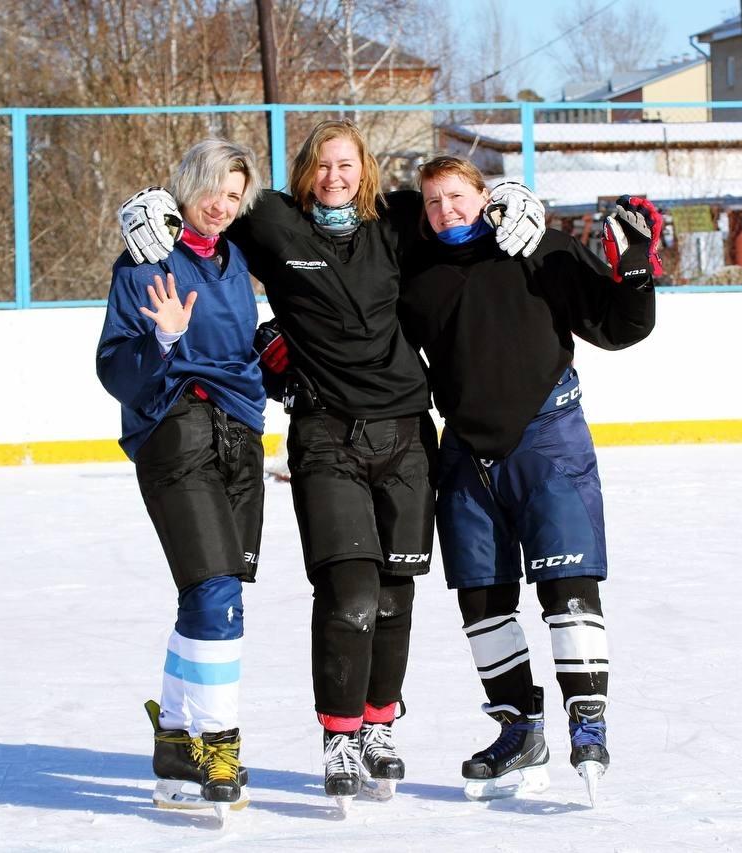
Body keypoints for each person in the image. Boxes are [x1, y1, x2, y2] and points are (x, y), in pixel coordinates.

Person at [117, 121, 547, 804]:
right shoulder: (273, 221)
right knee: (349, 596)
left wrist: (514, 201)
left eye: (345, 164)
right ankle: (339, 734)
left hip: (407, 430)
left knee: (395, 597)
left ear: (365, 169)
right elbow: (208, 197)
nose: (334, 176)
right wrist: (147, 202)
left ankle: (380, 725)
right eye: (322, 165)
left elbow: (457, 209)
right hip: (324, 431)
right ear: (304, 170)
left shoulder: (399, 219)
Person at [395, 155, 660, 805]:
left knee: (568, 589)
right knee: (482, 604)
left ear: (485, 196)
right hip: (465, 452)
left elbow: (622, 325)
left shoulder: (535, 244)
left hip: (548, 441)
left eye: (458, 196)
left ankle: (588, 718)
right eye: (433, 202)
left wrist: (634, 271)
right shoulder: (417, 269)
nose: (445, 210)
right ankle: (520, 729)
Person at [97, 138, 265, 815]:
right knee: (217, 594)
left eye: (234, 194)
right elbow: (116, 369)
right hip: (178, 436)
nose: (221, 204)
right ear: (186, 185)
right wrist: (162, 339)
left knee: (209, 599)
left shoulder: (235, 261)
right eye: (213, 188)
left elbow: (241, 351)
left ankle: (174, 741)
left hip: (239, 440)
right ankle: (217, 747)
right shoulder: (146, 262)